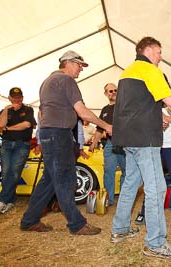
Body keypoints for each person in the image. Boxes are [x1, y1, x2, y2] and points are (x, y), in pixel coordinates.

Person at [110, 36, 171, 259]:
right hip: (144, 141)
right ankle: (155, 243)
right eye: (159, 52)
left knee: (130, 183)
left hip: (128, 139)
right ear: (149, 50)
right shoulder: (150, 70)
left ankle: (119, 229)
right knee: (156, 189)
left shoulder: (126, 72)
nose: (161, 57)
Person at [20, 50, 112, 235]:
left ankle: (30, 219)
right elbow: (82, 112)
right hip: (58, 133)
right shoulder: (66, 80)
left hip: (48, 133)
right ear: (68, 63)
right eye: (79, 65)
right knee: (64, 178)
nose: (81, 70)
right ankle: (77, 224)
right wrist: (106, 126)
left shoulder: (48, 81)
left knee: (50, 179)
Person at [0, 87, 36, 214]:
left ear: (22, 97)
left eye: (19, 97)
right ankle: (9, 200)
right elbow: (0, 125)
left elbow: (27, 125)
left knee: (15, 172)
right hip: (6, 144)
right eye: (14, 97)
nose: (17, 99)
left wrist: (8, 128)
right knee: (6, 173)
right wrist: (6, 109)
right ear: (9, 98)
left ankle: (2, 200)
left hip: (22, 145)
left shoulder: (28, 109)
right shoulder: (5, 110)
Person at [89, 83, 126, 206]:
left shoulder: (124, 106)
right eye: (111, 91)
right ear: (106, 93)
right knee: (108, 171)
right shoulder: (104, 110)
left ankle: (124, 199)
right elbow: (100, 129)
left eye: (116, 90)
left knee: (126, 171)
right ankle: (108, 199)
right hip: (110, 143)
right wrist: (93, 143)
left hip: (124, 143)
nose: (114, 92)